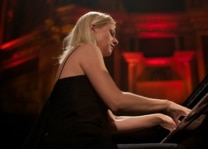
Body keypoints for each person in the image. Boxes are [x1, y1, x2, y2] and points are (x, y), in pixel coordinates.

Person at [23, 11, 191, 149]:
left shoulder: (76, 56)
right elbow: (117, 100)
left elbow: (112, 123)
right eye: (111, 32)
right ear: (93, 29)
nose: (115, 40)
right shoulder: (87, 49)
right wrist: (167, 104)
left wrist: (159, 118)